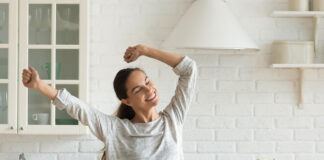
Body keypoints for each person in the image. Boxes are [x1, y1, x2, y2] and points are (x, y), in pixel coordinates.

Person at [22, 44, 197, 160]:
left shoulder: (173, 119)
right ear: (126, 101)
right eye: (138, 89)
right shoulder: (115, 130)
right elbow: (76, 107)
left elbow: (189, 69)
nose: (149, 89)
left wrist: (145, 51)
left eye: (147, 81)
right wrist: (39, 85)